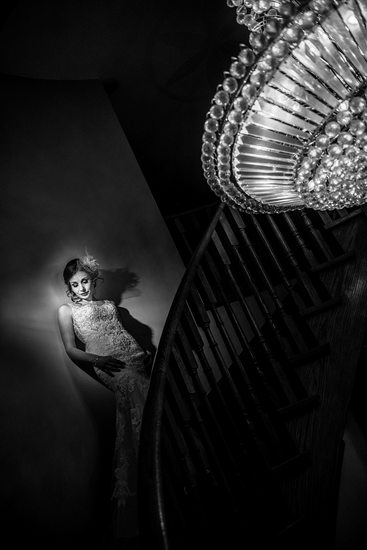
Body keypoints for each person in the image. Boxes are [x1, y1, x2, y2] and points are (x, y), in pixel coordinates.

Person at [57, 254, 151, 549]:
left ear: (92, 280)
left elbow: (121, 332)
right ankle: (147, 477)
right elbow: (71, 350)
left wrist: (144, 350)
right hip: (108, 362)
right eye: (76, 283)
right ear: (69, 286)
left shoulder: (110, 305)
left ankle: (156, 464)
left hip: (134, 358)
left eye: (85, 281)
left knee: (143, 404)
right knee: (136, 402)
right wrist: (98, 359)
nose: (82, 287)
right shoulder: (65, 310)